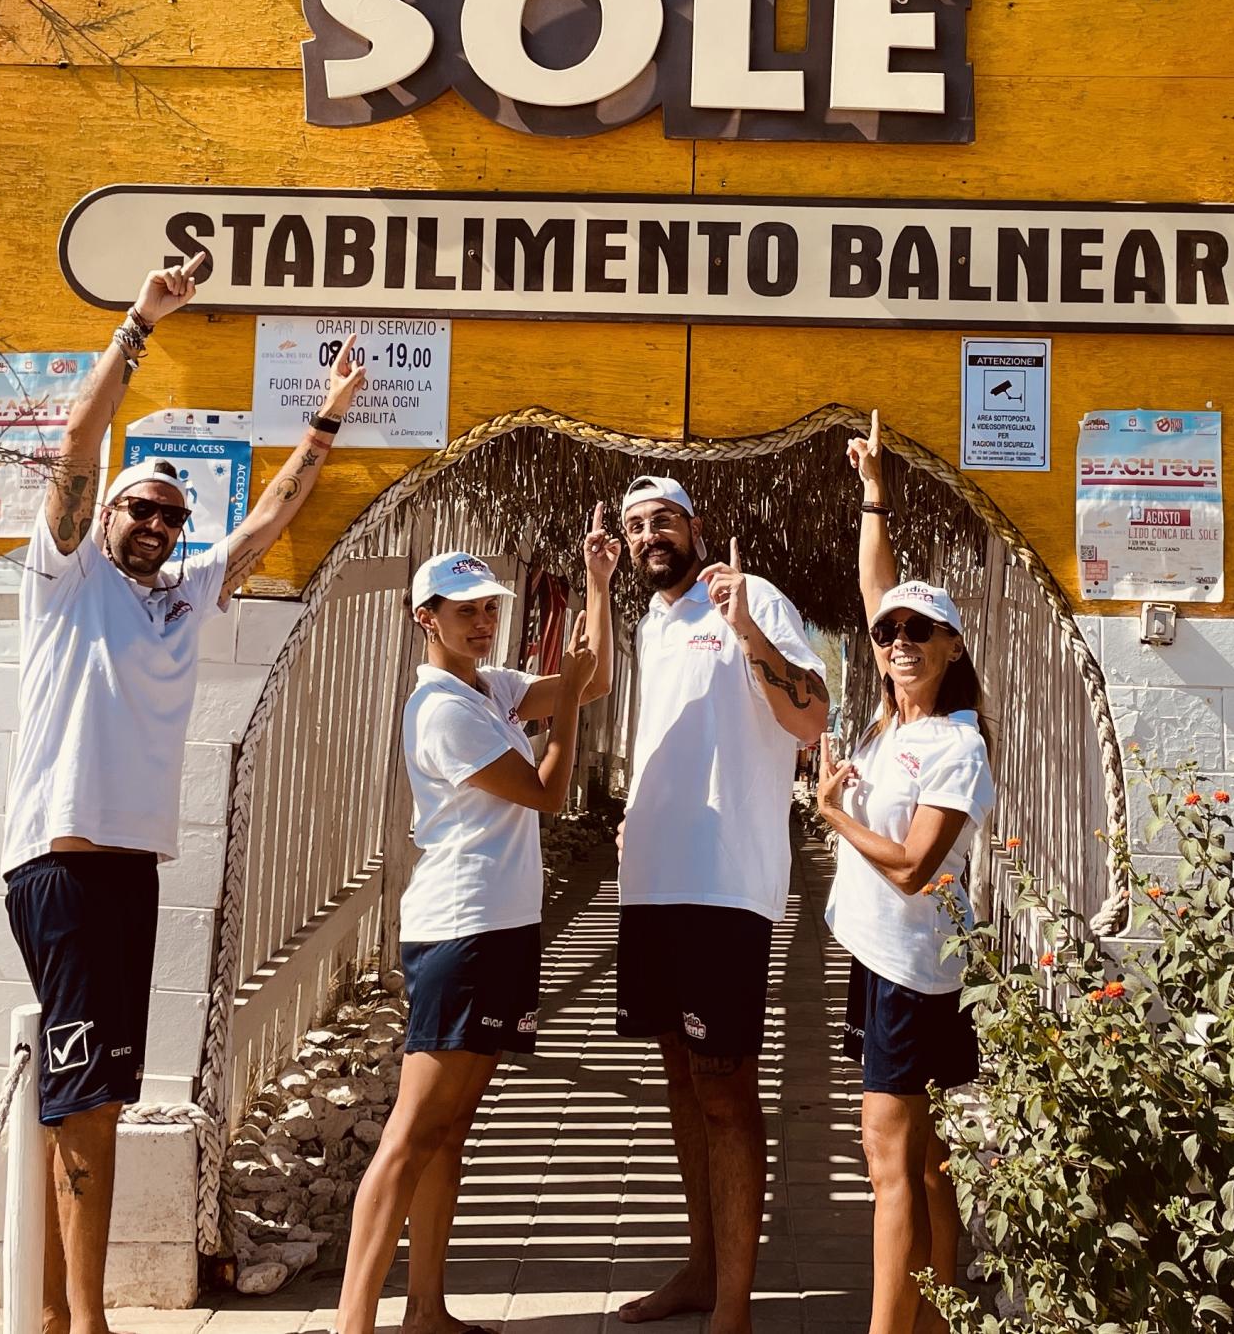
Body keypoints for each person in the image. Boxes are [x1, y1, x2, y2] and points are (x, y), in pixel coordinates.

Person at [0, 255, 365, 1334]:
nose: (157, 525)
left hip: (131, 871)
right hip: (64, 865)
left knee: (96, 1095)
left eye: (171, 515)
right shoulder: (65, 580)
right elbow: (77, 444)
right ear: (105, 513)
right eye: (141, 509)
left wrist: (327, 421)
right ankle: (87, 1321)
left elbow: (263, 527)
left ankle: (60, 1315)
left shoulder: (180, 599)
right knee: (88, 1102)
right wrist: (139, 322)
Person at [336, 509, 619, 1334]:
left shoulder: (487, 688)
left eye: (490, 607)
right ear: (426, 617)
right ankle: (353, 1321)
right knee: (413, 1131)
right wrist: (566, 707)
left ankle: (426, 1310)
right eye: (465, 610)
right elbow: (548, 792)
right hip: (461, 928)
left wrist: (597, 584)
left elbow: (591, 680)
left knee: (450, 1128)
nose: (483, 620)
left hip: (497, 925)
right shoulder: (442, 709)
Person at [613, 475, 828, 1334]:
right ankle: (701, 1271)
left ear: (695, 526)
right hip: (652, 881)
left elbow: (809, 718)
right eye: (635, 525)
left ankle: (731, 1309)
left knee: (725, 1088)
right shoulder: (650, 620)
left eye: (662, 519)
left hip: (723, 882)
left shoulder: (750, 597)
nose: (648, 535)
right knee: (680, 1078)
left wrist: (745, 630)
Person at [815, 411, 996, 1334]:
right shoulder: (896, 718)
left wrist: (834, 814)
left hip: (910, 973)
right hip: (888, 962)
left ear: (952, 646)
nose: (900, 640)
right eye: (890, 632)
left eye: (923, 630)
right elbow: (873, 586)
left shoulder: (953, 745)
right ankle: (940, 1316)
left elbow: (916, 869)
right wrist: (874, 494)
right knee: (923, 1161)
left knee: (886, 1165)